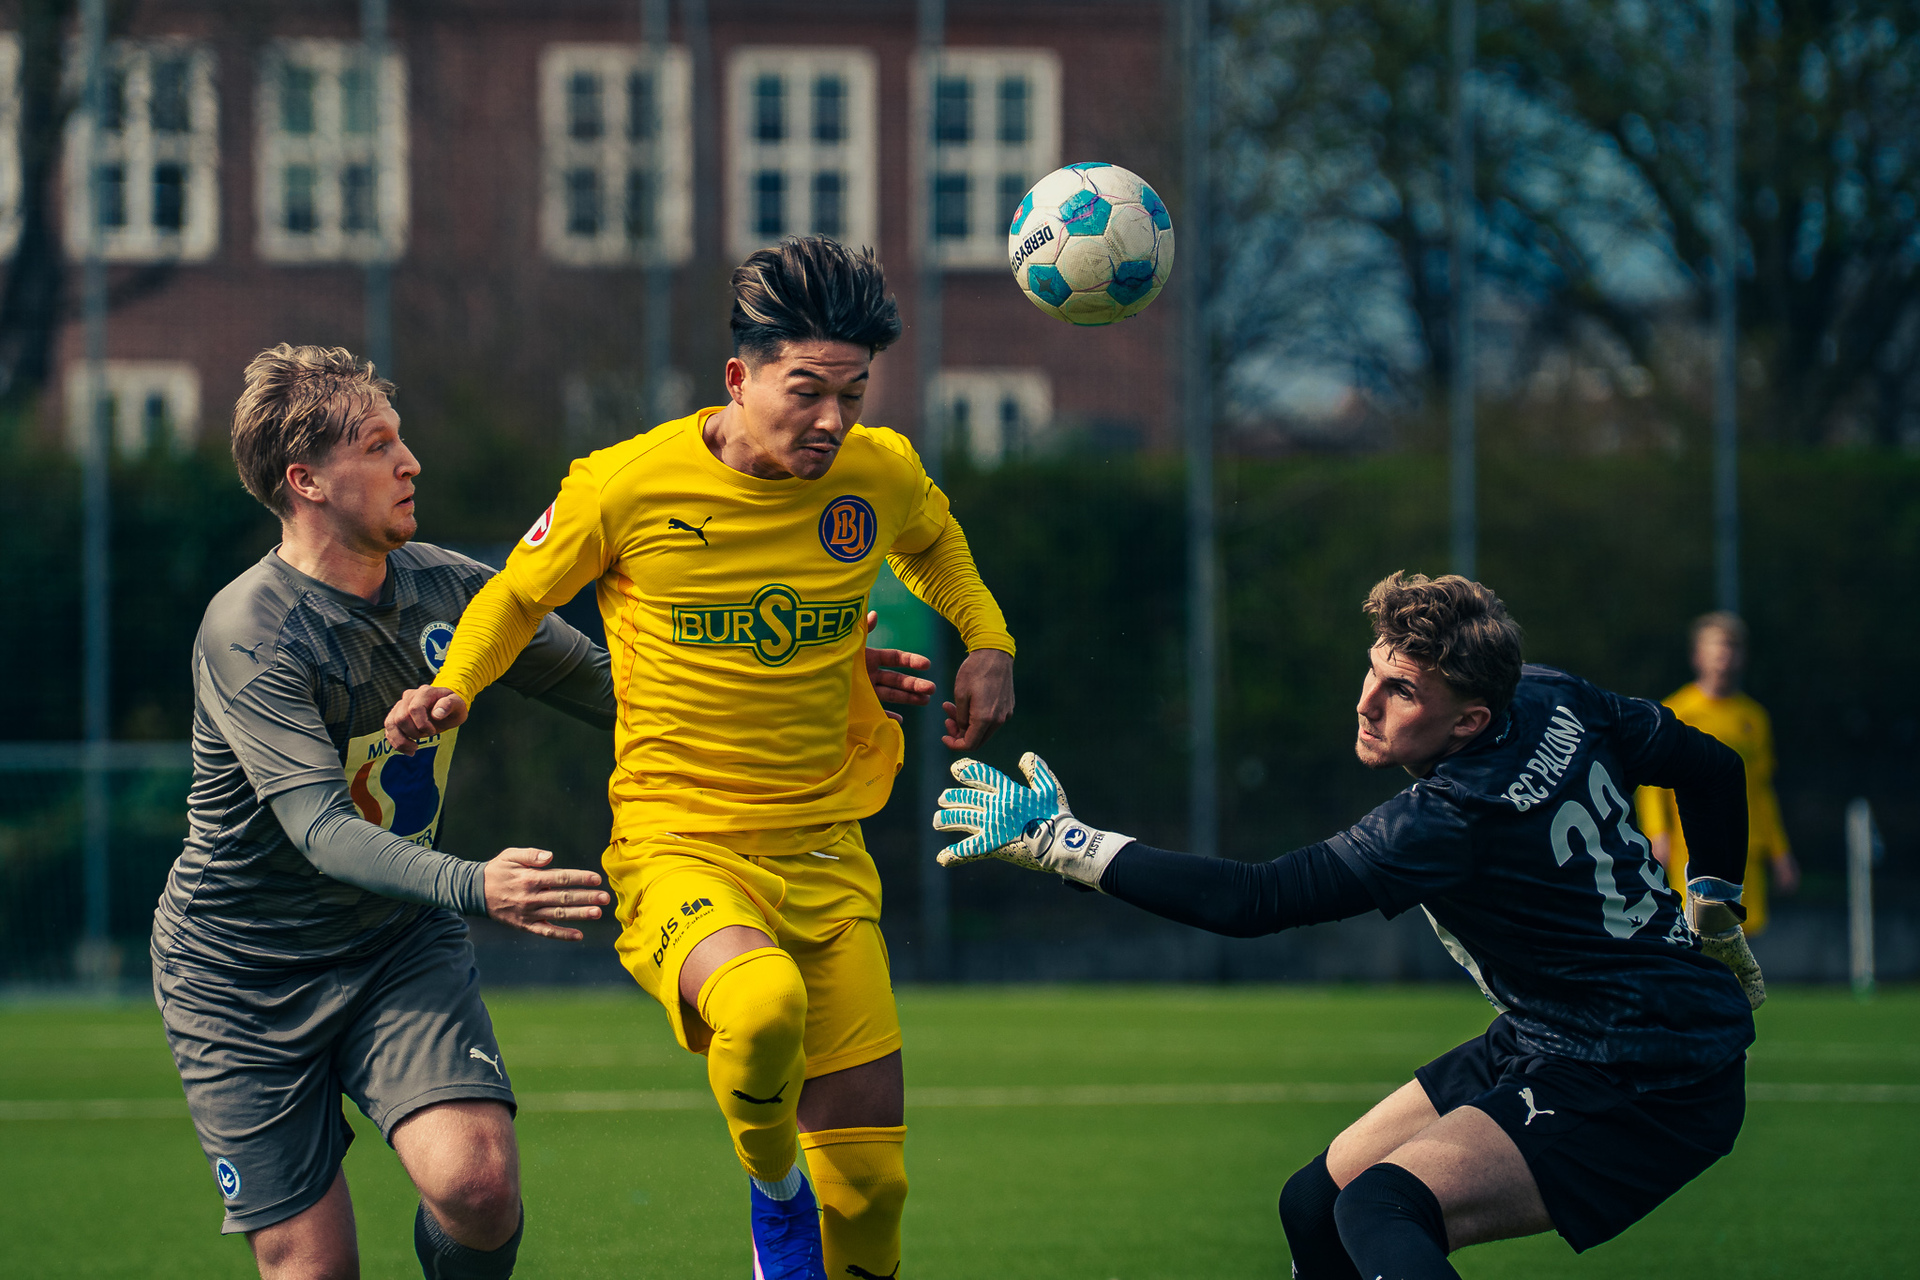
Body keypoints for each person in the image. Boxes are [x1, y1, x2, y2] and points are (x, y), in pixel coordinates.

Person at [384, 237, 1016, 1280]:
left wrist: (986, 640)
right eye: (806, 391)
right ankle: (775, 1192)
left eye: (853, 393)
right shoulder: (626, 484)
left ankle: (816, 1212)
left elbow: (934, 542)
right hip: (679, 846)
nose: (832, 420)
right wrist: (459, 686)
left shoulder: (879, 471)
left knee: (873, 1193)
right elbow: (515, 595)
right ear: (738, 376)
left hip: (824, 850)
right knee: (761, 1006)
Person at [933, 572, 1764, 1280]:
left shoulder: (1450, 817)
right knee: (1316, 1204)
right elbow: (1712, 769)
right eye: (1373, 671)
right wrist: (1715, 912)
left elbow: (1255, 900)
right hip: (1560, 1031)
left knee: (1381, 1206)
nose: (1365, 703)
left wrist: (1071, 847)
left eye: (1402, 692)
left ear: (1469, 722)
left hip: (1646, 1070)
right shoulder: (1550, 696)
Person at [153, 344, 617, 1280]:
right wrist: (476, 884)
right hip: (241, 975)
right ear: (306, 481)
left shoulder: (454, 589)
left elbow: (621, 690)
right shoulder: (252, 630)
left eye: (400, 440)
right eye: (377, 446)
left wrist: (816, 686)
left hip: (394, 943)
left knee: (478, 1187)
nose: (411, 463)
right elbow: (323, 832)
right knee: (314, 1268)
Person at [1636, 611, 1798, 933]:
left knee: (1742, 937)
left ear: (1742, 656)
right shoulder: (1676, 712)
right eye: (1716, 646)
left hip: (1745, 848)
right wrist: (1657, 832)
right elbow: (1651, 782)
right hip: (1691, 849)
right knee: (1696, 932)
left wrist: (1780, 852)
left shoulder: (1754, 718)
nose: (1724, 655)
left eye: (1731, 646)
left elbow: (1761, 790)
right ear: (1697, 655)